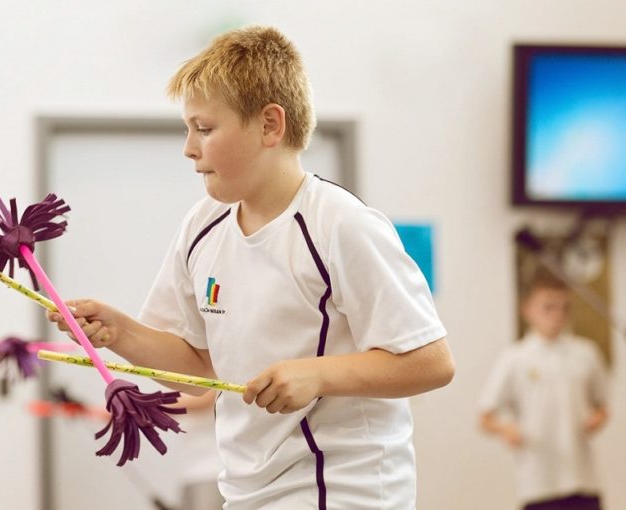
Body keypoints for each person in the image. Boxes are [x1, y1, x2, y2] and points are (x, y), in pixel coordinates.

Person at [48, 26, 455, 509]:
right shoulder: (201, 226)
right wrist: (121, 333)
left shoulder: (341, 225)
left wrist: (317, 375)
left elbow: (431, 362)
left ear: (269, 126)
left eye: (204, 129)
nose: (188, 148)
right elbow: (194, 368)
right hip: (246, 492)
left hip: (345, 492)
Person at [479, 276, 609, 510]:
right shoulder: (515, 358)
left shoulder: (586, 353)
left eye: (564, 307)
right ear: (528, 310)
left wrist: (597, 419)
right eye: (548, 307)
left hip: (583, 479)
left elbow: (602, 405)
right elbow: (486, 416)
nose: (557, 314)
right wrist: (506, 427)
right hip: (538, 483)